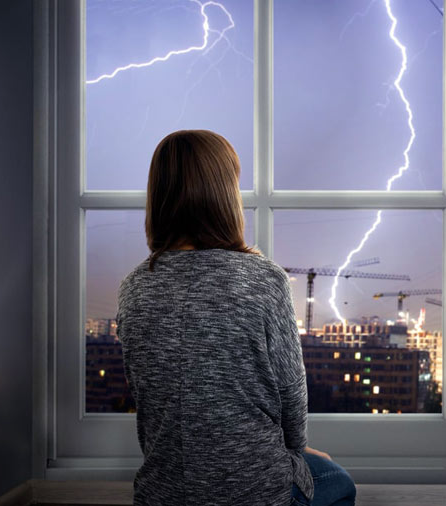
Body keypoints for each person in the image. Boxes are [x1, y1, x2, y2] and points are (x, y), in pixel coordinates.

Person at [116, 130, 357, 505]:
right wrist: (298, 453)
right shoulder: (263, 277)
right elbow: (291, 395)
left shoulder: (134, 286)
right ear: (225, 195)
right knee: (339, 484)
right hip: (256, 492)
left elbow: (148, 400)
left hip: (161, 493)